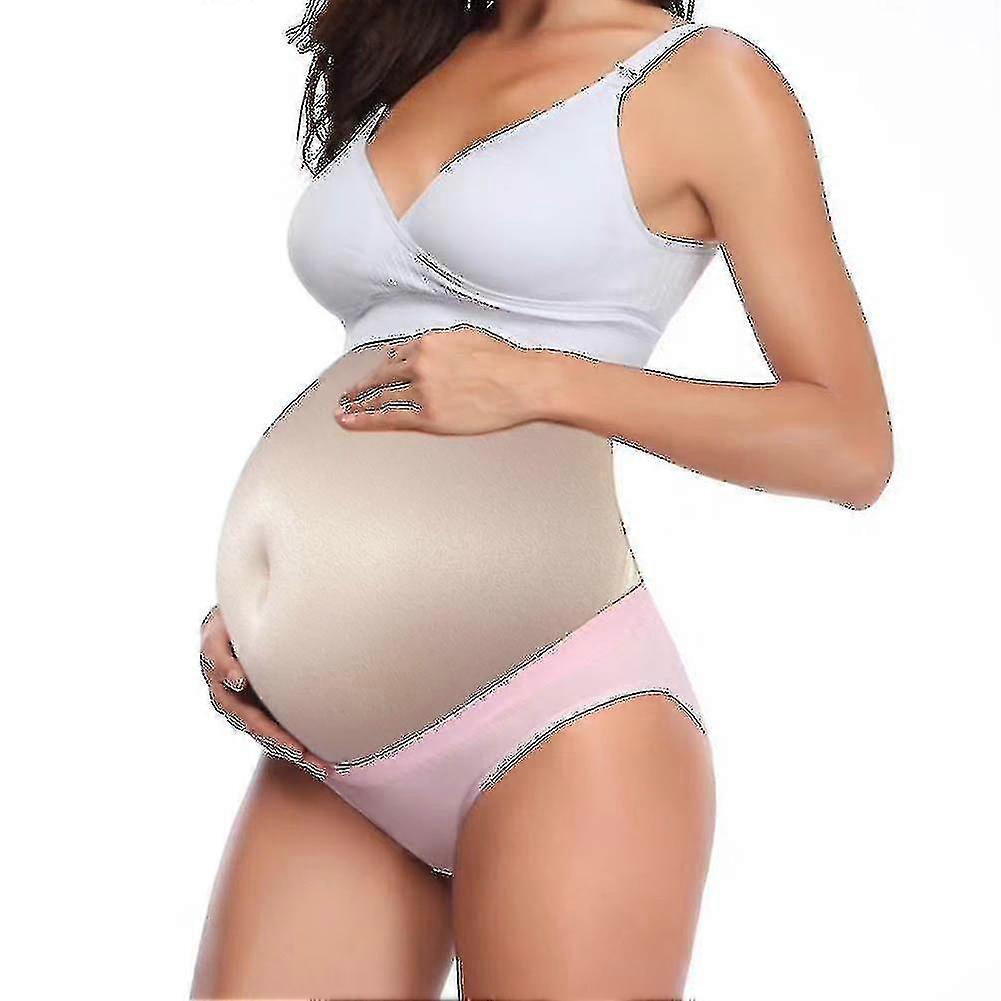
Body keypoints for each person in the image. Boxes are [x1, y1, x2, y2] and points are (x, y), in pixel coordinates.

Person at [192, 1, 893, 997]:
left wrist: (539, 381)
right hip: (327, 737)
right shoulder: (419, 50)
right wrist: (272, 608)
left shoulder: (700, 81)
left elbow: (849, 445)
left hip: (560, 717)